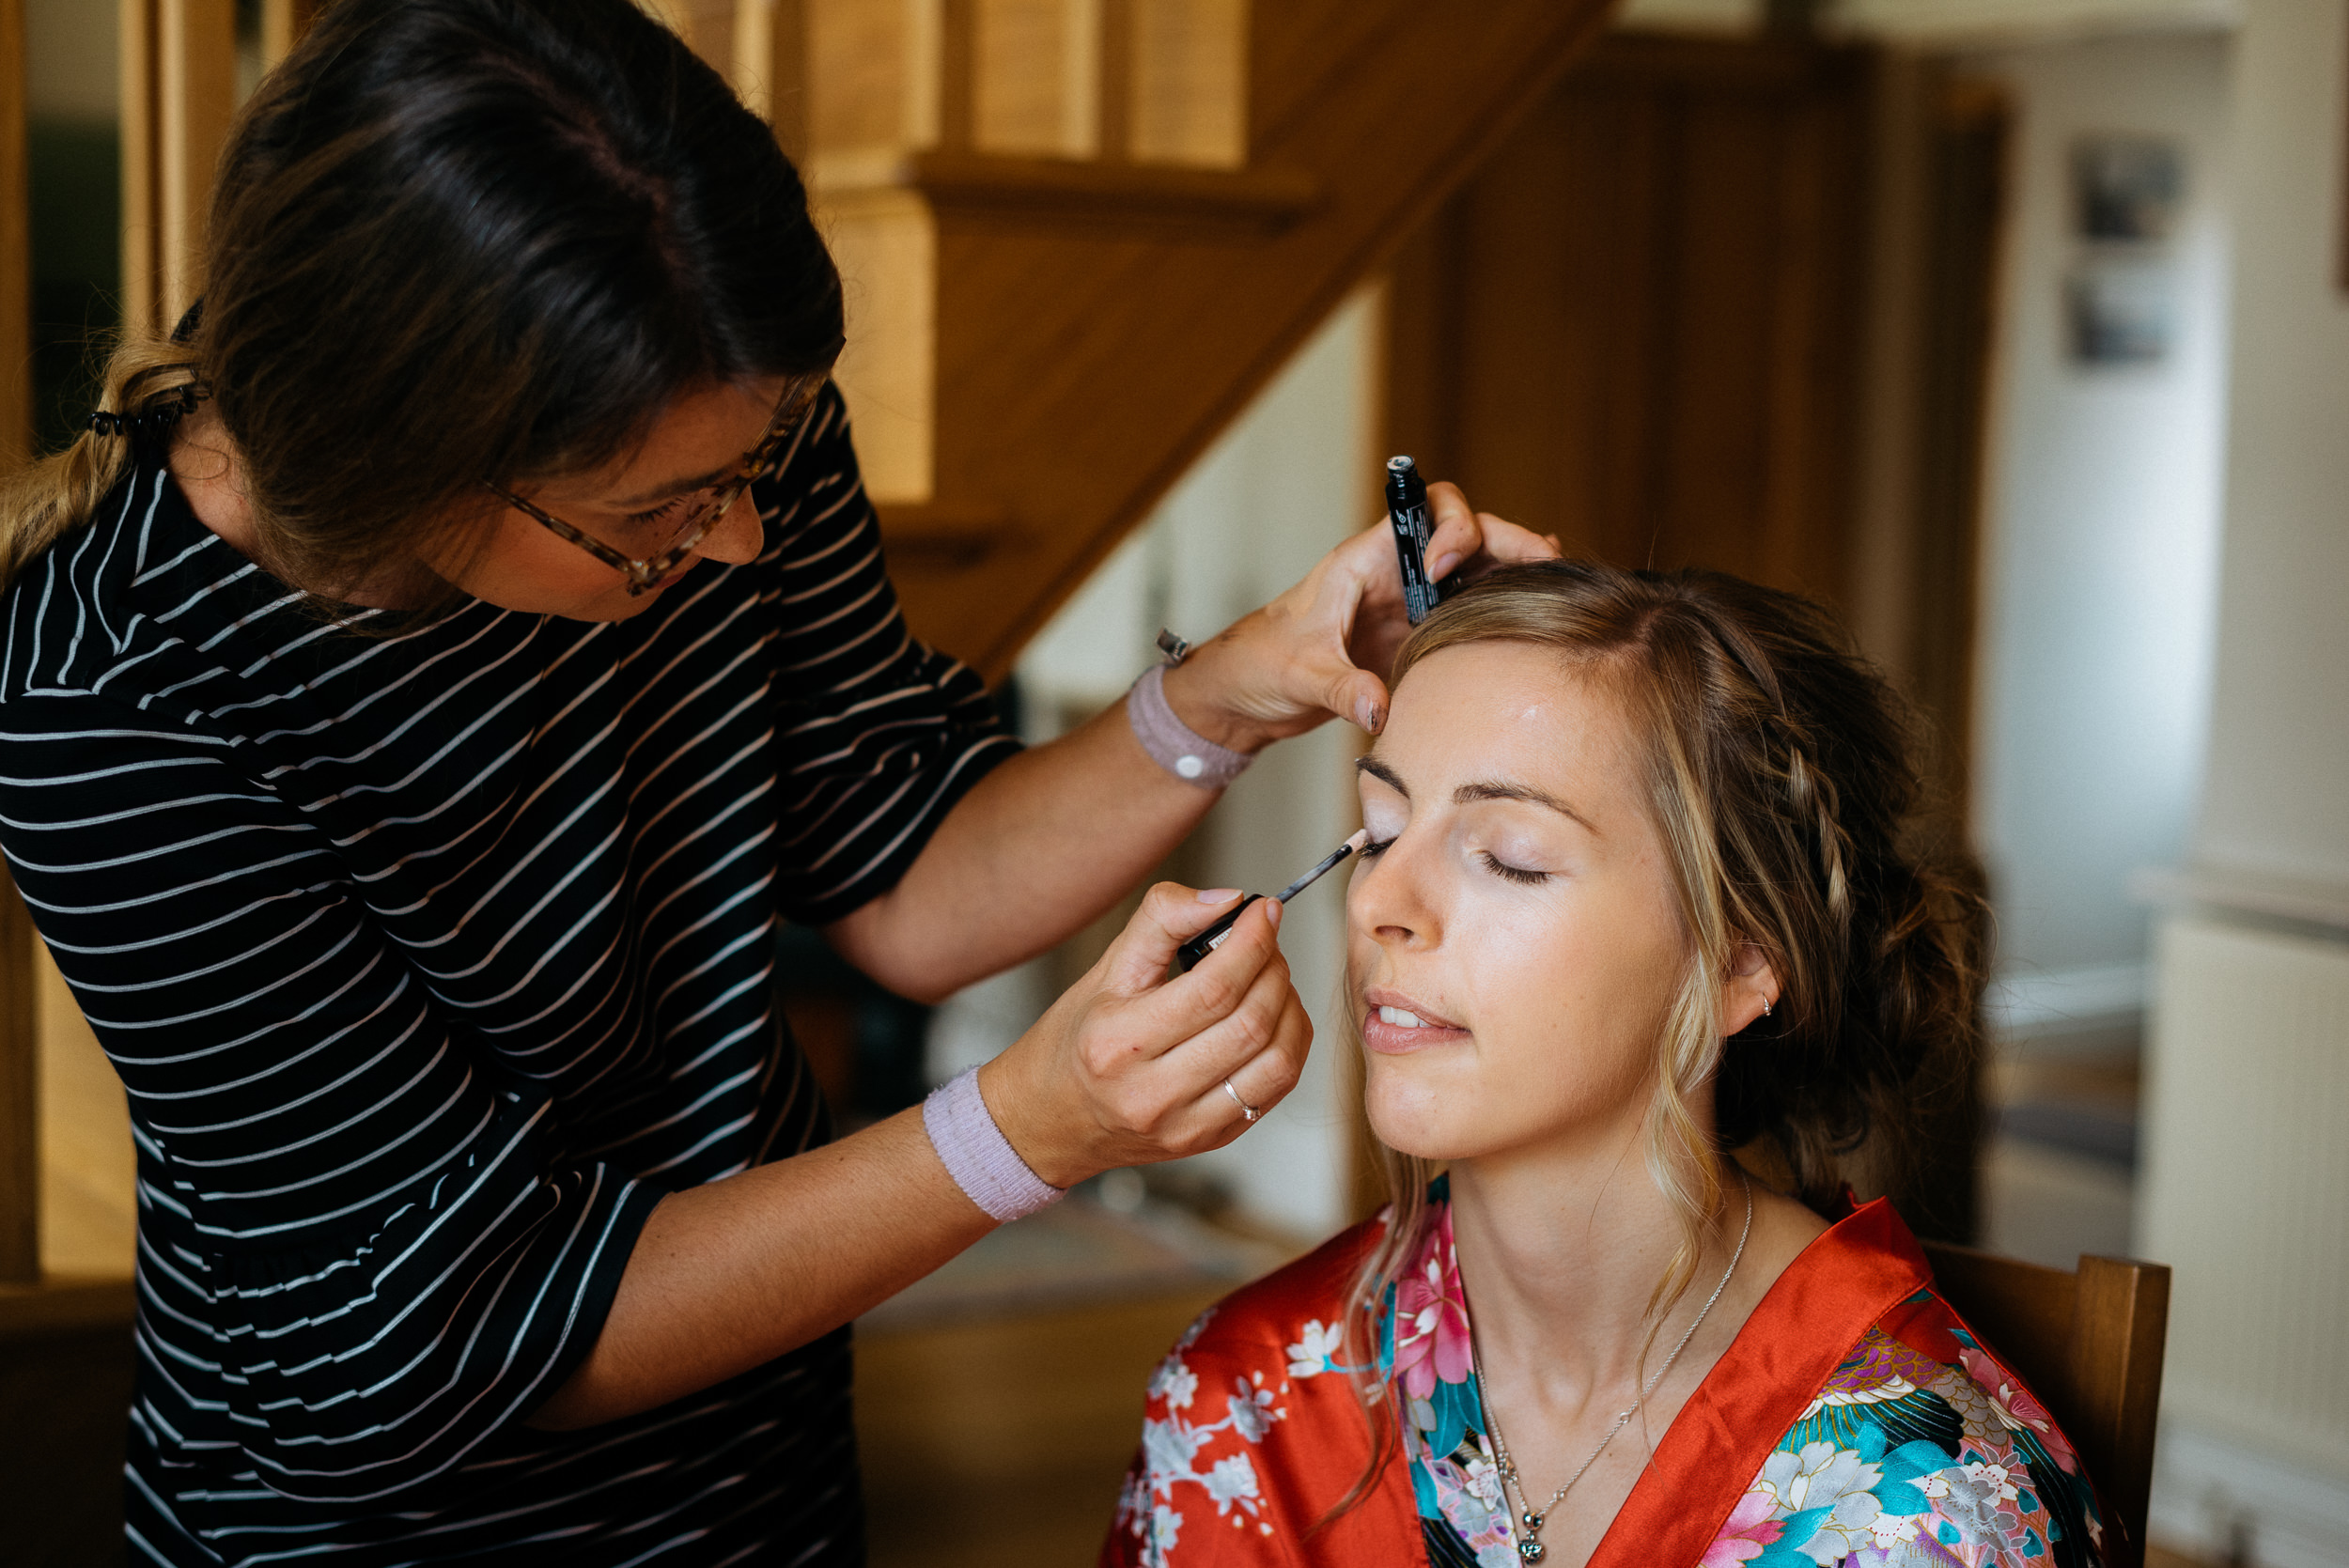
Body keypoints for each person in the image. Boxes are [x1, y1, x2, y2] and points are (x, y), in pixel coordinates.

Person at [0, 2, 1550, 1561]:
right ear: (417, 472)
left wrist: (1240, 682)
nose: (738, 541)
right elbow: (459, 1322)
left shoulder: (727, 413)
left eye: (755, 468)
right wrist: (1028, 1127)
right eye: (665, 509)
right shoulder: (114, 690)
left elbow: (900, 868)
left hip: (764, 1477)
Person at [1102, 561, 2108, 1568]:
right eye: (1380, 830)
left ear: (1742, 957)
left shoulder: (1921, 1518)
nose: (1376, 904)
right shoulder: (1240, 1408)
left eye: (1510, 856)